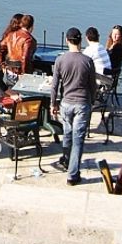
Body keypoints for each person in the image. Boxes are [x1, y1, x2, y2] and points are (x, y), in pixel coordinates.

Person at [50, 27, 96, 186]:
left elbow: (54, 85)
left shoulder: (60, 60)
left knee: (67, 134)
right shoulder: (87, 61)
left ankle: (67, 161)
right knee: (78, 140)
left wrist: (52, 103)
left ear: (67, 40)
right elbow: (92, 86)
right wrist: (92, 101)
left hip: (66, 103)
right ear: (80, 41)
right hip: (82, 103)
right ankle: (72, 174)